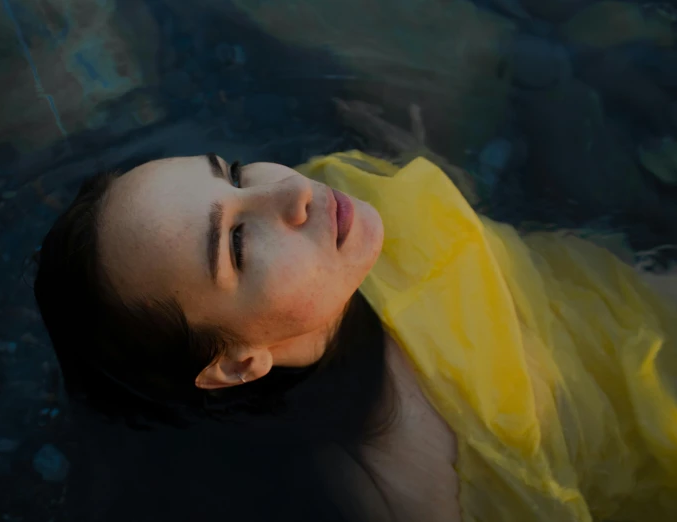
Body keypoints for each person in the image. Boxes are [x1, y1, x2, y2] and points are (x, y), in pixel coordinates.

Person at [34, 106, 677, 522]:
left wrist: (435, 155)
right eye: (236, 243)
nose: (290, 191)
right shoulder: (409, 490)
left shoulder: (353, 198)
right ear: (235, 362)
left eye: (230, 175)